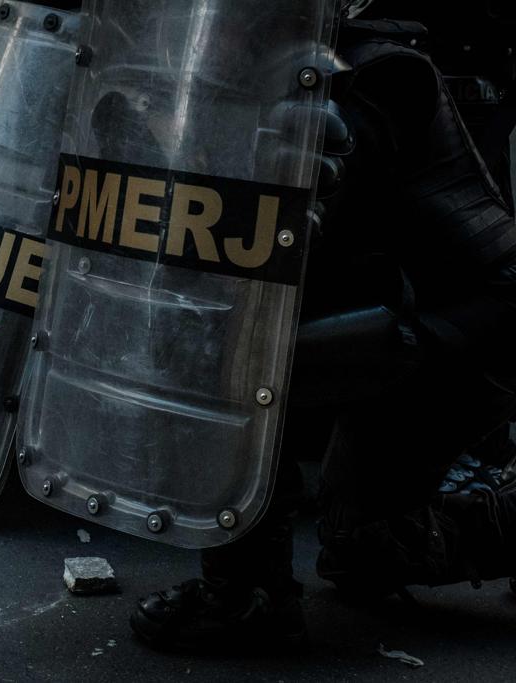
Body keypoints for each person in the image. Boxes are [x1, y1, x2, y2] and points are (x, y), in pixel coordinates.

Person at [130, 1, 516, 652]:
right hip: (397, 319)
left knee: (231, 340)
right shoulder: (264, 75)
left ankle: (248, 595)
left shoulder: (367, 81)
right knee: (362, 553)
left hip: (465, 332)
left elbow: (271, 264)